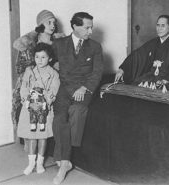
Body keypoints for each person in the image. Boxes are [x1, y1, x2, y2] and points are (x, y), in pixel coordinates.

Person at [51, 12, 104, 184]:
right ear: (75, 26)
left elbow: (97, 72)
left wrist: (85, 88)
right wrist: (54, 65)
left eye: (91, 27)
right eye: (87, 27)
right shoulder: (59, 44)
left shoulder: (95, 47)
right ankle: (65, 162)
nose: (90, 31)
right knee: (59, 117)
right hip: (65, 88)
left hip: (85, 89)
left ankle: (63, 161)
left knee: (77, 110)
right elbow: (51, 61)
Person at [12, 10, 64, 150]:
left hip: (53, 80)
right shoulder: (30, 43)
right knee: (28, 105)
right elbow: (20, 68)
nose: (53, 25)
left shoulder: (59, 42)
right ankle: (29, 141)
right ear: (41, 24)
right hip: (32, 82)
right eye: (49, 22)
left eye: (54, 22)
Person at [17, 43, 60, 175]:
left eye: (43, 57)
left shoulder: (53, 74)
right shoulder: (29, 71)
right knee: (31, 137)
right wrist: (25, 99)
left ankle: (40, 163)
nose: (39, 60)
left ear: (50, 59)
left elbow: (54, 90)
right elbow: (24, 86)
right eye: (37, 57)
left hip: (44, 109)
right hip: (30, 108)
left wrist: (46, 99)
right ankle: (31, 163)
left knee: (42, 137)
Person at [115, 15, 169, 90]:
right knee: (134, 86)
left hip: (166, 80)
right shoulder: (153, 43)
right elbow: (137, 55)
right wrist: (122, 69)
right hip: (151, 77)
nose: (159, 29)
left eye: (163, 26)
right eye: (158, 25)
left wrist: (165, 81)